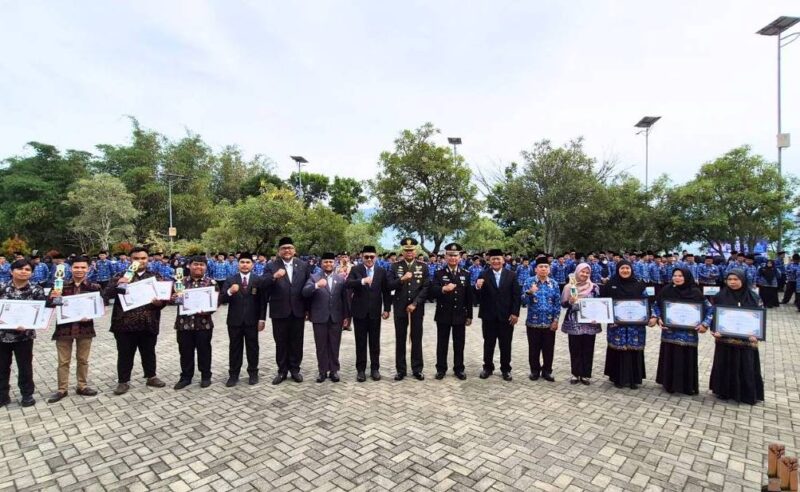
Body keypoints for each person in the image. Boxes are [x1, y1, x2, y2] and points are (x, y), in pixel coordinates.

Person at [106, 247, 167, 395]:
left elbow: (164, 298)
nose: (140, 261)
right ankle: (123, 381)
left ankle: (151, 376)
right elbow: (106, 294)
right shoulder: (120, 275)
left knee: (149, 352)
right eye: (136, 258)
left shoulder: (155, 276)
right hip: (124, 324)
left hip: (148, 322)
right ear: (130, 259)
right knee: (125, 353)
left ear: (148, 259)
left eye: (143, 258)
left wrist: (160, 303)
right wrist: (118, 284)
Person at [46, 256, 100, 403]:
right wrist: (54, 297)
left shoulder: (93, 287)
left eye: (83, 267)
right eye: (76, 267)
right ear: (71, 268)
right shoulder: (60, 285)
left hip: (85, 328)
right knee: (63, 361)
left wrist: (92, 314)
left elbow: (100, 306)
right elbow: (50, 304)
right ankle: (62, 389)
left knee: (83, 360)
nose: (79, 270)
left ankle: (82, 386)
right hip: (64, 329)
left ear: (88, 269)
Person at [709, 270, 764, 405]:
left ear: (743, 280)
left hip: (746, 341)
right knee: (725, 363)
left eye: (736, 279)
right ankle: (724, 391)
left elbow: (760, 318)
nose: (732, 282)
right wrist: (714, 329)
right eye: (730, 279)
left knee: (746, 364)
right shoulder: (720, 296)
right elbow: (713, 315)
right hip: (725, 339)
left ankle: (746, 393)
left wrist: (757, 335)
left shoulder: (754, 297)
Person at [653, 267, 712, 395]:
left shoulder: (696, 293)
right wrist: (659, 318)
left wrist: (705, 324)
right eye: (675, 275)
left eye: (680, 276)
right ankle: (668, 384)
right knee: (670, 356)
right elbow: (656, 305)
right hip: (670, 332)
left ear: (687, 277)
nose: (677, 278)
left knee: (686, 358)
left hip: (688, 334)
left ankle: (687, 386)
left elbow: (710, 309)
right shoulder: (667, 290)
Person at [0, 259, 46, 407]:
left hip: (24, 336)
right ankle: (2, 395)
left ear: (31, 273)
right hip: (2, 336)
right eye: (20, 269)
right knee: (2, 366)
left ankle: (27, 395)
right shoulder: (2, 288)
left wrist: (28, 325)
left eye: (27, 269)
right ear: (11, 271)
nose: (23, 272)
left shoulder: (36, 289)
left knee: (25, 366)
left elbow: (41, 312)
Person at [264, 237, 310, 385]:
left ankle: (295, 369)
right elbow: (263, 284)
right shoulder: (271, 266)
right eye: (284, 248)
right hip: (279, 310)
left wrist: (308, 309)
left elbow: (308, 287)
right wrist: (274, 277)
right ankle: (282, 370)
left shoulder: (303, 265)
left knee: (297, 341)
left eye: (290, 247)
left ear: (294, 250)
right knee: (281, 342)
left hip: (298, 310)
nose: (287, 250)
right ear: (279, 251)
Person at [302, 252, 351, 383]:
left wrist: (346, 316)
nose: (328, 264)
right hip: (319, 317)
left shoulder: (340, 279)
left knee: (335, 344)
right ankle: (322, 371)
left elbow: (344, 299)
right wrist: (317, 285)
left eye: (330, 262)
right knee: (321, 345)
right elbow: (305, 292)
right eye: (325, 262)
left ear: (334, 263)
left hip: (336, 317)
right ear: (321, 263)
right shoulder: (314, 277)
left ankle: (334, 370)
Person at [346, 246, 392, 382]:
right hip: (359, 312)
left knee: (374, 342)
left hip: (374, 312)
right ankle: (360, 370)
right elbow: (347, 284)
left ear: (376, 257)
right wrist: (362, 281)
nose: (369, 259)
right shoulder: (356, 269)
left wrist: (387, 308)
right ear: (362, 257)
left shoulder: (381, 271)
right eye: (366, 257)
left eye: (372, 257)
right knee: (360, 342)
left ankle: (375, 369)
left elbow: (386, 291)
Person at [220, 252, 266, 387]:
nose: (245, 265)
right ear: (238, 264)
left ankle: (253, 373)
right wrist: (230, 291)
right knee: (235, 348)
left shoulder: (258, 280)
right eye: (242, 262)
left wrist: (262, 319)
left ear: (252, 265)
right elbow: (222, 298)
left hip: (252, 321)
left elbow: (262, 302)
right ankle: (233, 375)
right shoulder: (230, 279)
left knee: (253, 348)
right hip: (234, 321)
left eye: (247, 262)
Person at [603, 260, 651, 389]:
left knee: (633, 350)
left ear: (631, 270)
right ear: (617, 270)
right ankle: (617, 378)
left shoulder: (640, 285)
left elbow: (646, 302)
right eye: (622, 268)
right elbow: (604, 303)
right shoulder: (610, 284)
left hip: (635, 326)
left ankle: (634, 379)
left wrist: (648, 317)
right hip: (616, 326)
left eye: (627, 268)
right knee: (618, 350)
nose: (625, 271)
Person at [475, 248, 521, 381]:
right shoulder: (483, 274)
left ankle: (506, 369)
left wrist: (515, 313)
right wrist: (477, 287)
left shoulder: (511, 275)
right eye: (493, 259)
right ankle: (487, 368)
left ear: (503, 260)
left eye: (498, 259)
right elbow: (477, 297)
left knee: (506, 344)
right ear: (489, 261)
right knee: (488, 343)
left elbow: (516, 296)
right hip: (488, 316)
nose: (495, 261)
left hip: (506, 316)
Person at [429, 243, 473, 380]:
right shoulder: (439, 274)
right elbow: (432, 292)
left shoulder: (466, 274)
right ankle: (441, 369)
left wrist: (470, 315)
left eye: (455, 255)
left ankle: (459, 368)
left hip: (460, 314)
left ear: (460, 257)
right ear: (445, 257)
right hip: (443, 314)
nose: (453, 258)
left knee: (459, 343)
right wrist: (443, 289)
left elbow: (469, 296)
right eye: (450, 255)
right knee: (442, 343)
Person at [172, 256, 217, 390]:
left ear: (206, 267)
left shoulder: (211, 283)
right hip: (183, 324)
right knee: (185, 351)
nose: (198, 267)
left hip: (203, 324)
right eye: (195, 264)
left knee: (204, 350)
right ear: (189, 266)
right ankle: (186, 377)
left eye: (201, 265)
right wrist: (174, 298)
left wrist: (208, 309)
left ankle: (206, 376)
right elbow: (171, 300)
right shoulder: (180, 282)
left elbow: (216, 303)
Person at [388, 238, 430, 381]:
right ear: (403, 251)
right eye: (406, 250)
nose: (409, 252)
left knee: (416, 338)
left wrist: (415, 303)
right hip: (400, 307)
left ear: (416, 251)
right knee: (400, 339)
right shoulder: (395, 266)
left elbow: (426, 287)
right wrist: (401, 280)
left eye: (411, 250)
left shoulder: (423, 266)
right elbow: (389, 285)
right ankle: (401, 370)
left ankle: (417, 369)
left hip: (416, 308)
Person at [560, 263, 602, 385]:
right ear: (577, 272)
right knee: (575, 348)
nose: (584, 274)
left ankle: (585, 375)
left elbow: (599, 304)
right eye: (582, 272)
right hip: (574, 322)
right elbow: (563, 304)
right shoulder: (569, 287)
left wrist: (598, 316)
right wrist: (569, 301)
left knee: (588, 348)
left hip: (590, 323)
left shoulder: (594, 287)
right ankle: (575, 373)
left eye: (587, 272)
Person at [521, 257, 561, 382]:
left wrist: (556, 320)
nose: (543, 269)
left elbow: (557, 303)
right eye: (541, 267)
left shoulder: (554, 284)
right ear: (536, 269)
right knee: (534, 349)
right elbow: (522, 300)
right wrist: (529, 292)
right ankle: (534, 371)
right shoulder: (529, 282)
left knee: (549, 349)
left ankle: (547, 371)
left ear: (549, 269)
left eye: (546, 267)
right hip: (533, 322)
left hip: (549, 323)